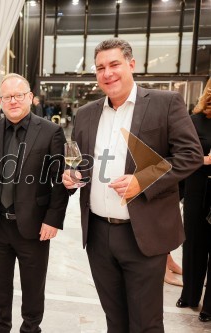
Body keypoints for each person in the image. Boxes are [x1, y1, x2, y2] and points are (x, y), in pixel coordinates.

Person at [62, 38, 202, 332]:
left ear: (131, 64)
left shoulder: (165, 103)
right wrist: (72, 176)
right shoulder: (86, 113)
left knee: (146, 323)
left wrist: (143, 180)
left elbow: (190, 155)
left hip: (142, 234)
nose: (108, 73)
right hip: (99, 235)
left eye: (114, 64)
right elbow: (83, 163)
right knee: (115, 320)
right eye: (100, 67)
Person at [0, 73, 69, 332]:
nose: (13, 101)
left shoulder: (51, 132)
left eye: (18, 95)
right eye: (7, 97)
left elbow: (59, 181)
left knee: (33, 290)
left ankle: (30, 329)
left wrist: (52, 219)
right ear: (0, 100)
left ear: (30, 98)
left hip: (34, 227)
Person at [176, 77, 211, 322]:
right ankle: (189, 294)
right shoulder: (194, 121)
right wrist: (206, 160)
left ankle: (209, 305)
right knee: (193, 244)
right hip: (197, 188)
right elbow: (182, 155)